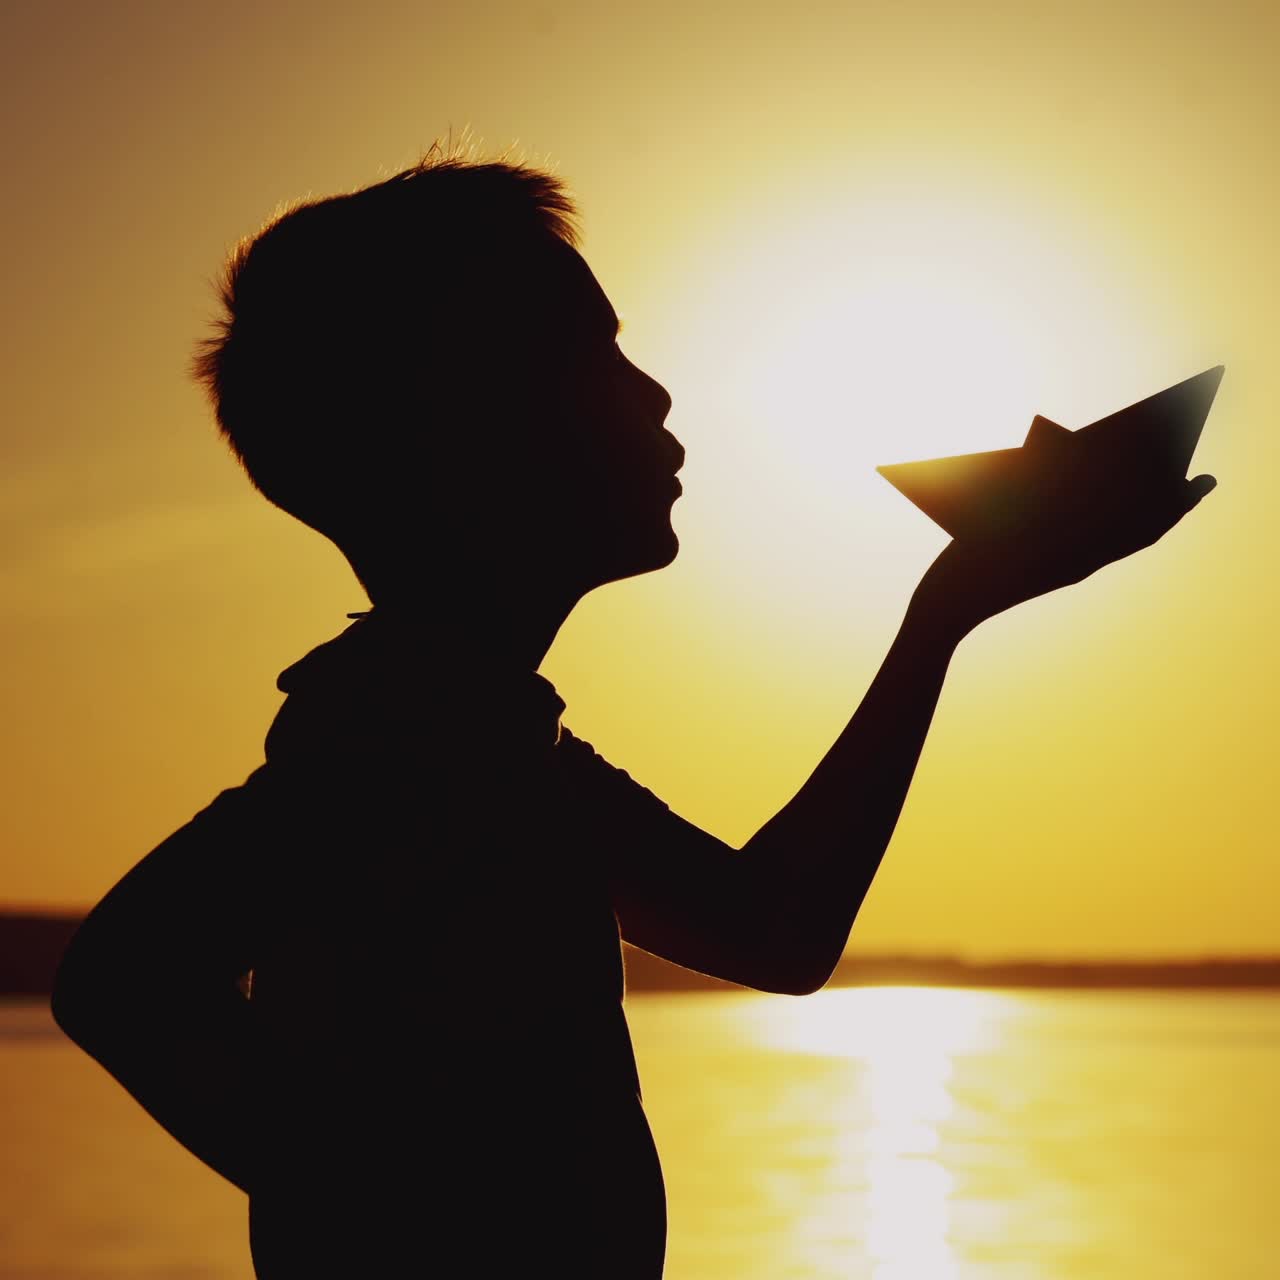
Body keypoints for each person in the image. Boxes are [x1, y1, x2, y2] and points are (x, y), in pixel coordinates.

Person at [49, 146, 1216, 1278]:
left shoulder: (507, 739)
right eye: (595, 354)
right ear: (468, 430)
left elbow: (772, 930)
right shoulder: (400, 737)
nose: (653, 390)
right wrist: (383, 1207)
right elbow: (119, 979)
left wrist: (945, 610)